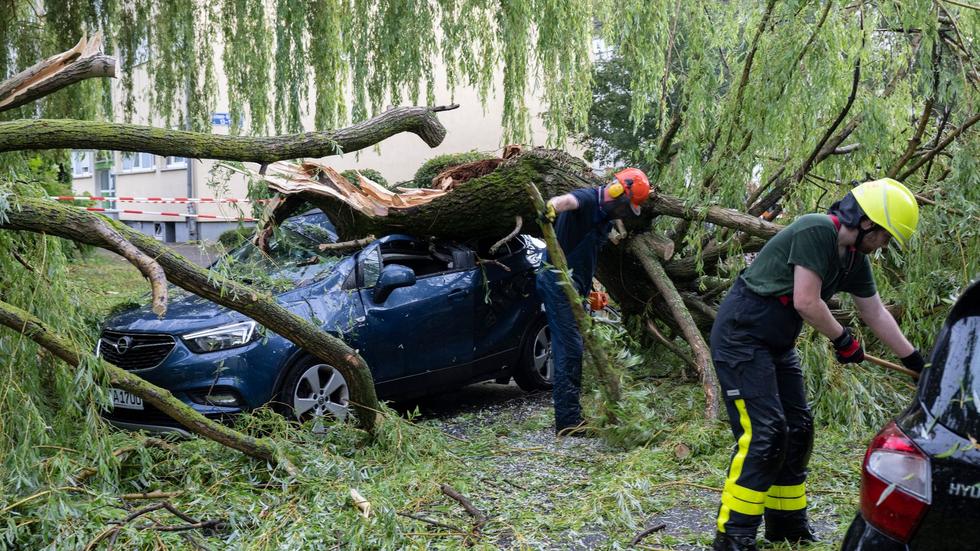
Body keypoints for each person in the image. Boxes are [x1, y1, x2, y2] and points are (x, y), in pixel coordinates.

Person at [708, 178, 927, 550]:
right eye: (885, 236)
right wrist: (842, 339)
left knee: (799, 428)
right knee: (766, 433)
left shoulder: (854, 257)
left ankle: (787, 525)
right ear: (868, 223)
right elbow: (806, 302)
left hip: (777, 342)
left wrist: (916, 361)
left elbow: (874, 311)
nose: (884, 246)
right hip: (742, 335)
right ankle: (734, 536)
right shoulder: (816, 229)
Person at [536, 168, 651, 436]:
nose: (626, 212)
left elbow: (586, 257)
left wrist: (589, 290)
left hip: (575, 286)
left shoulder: (606, 218)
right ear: (617, 193)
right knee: (570, 348)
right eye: (627, 206)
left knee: (580, 344)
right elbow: (565, 201)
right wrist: (550, 208)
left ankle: (578, 411)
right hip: (556, 282)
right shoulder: (588, 199)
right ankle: (568, 422)